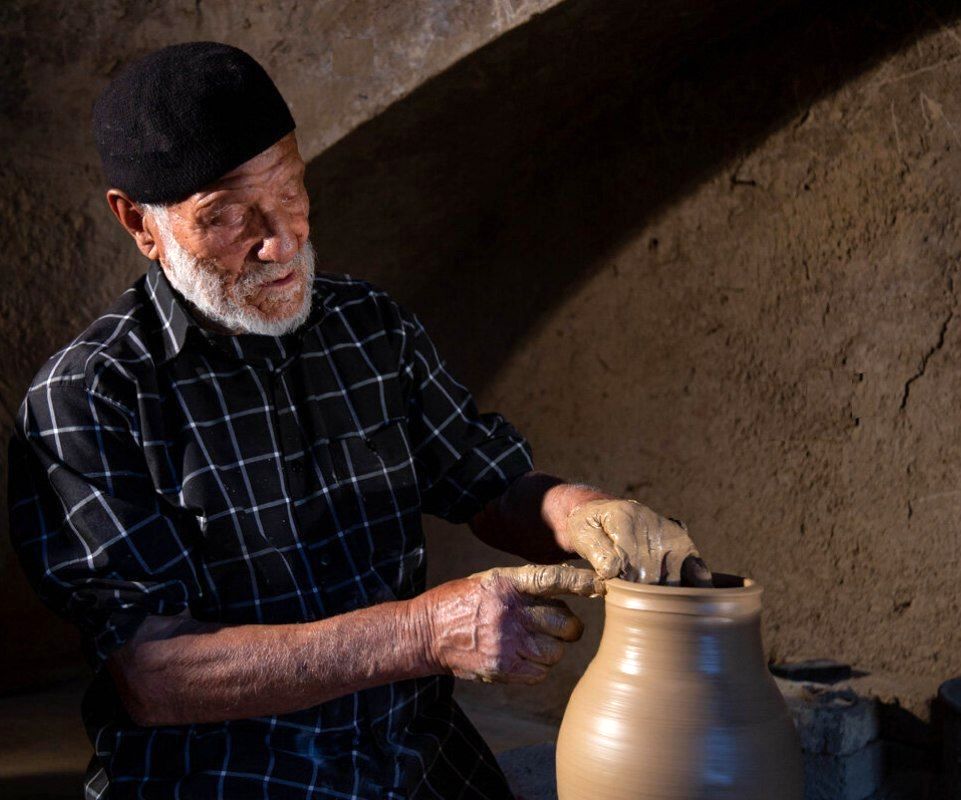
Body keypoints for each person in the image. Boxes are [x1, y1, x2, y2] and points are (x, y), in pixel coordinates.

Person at [8, 42, 711, 799]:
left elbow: (489, 483)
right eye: (225, 216)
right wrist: (421, 633)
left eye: (291, 191)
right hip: (227, 777)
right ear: (138, 224)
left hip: (417, 760)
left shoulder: (369, 326)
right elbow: (154, 674)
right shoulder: (88, 398)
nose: (280, 241)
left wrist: (584, 512)